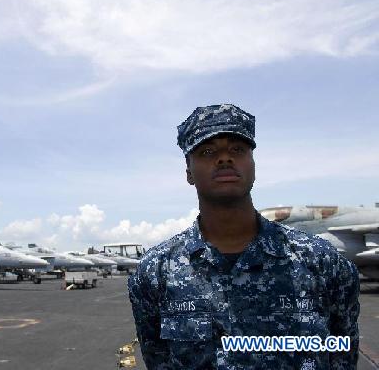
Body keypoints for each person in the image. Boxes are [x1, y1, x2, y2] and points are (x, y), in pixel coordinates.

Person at [128, 104, 359, 369]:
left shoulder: (321, 262)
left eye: (238, 149)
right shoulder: (156, 272)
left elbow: (343, 355)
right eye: (207, 151)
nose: (224, 158)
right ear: (189, 172)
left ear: (253, 165)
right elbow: (157, 358)